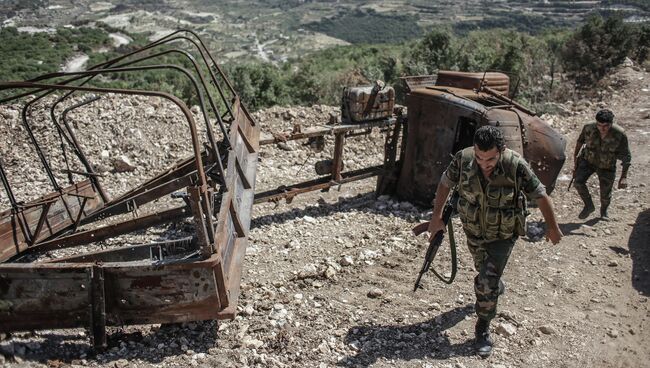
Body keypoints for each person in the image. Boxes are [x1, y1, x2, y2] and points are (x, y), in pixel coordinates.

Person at [427, 126, 563, 358]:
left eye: (490, 158)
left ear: (501, 150)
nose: (484, 163)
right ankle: (493, 288)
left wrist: (552, 227)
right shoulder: (464, 159)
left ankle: (482, 328)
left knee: (486, 280)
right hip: (474, 231)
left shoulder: (515, 165)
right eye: (480, 157)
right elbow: (445, 184)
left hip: (503, 234)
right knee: (484, 272)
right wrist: (437, 217)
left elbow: (540, 195)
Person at [573, 109, 631, 220]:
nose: (602, 129)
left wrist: (624, 177)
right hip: (588, 161)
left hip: (607, 165)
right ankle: (589, 206)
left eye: (605, 126)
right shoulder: (588, 128)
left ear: (611, 123)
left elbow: (626, 156)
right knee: (578, 183)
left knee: (605, 194)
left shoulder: (619, 134)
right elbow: (580, 142)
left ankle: (604, 211)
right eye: (599, 125)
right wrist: (575, 163)